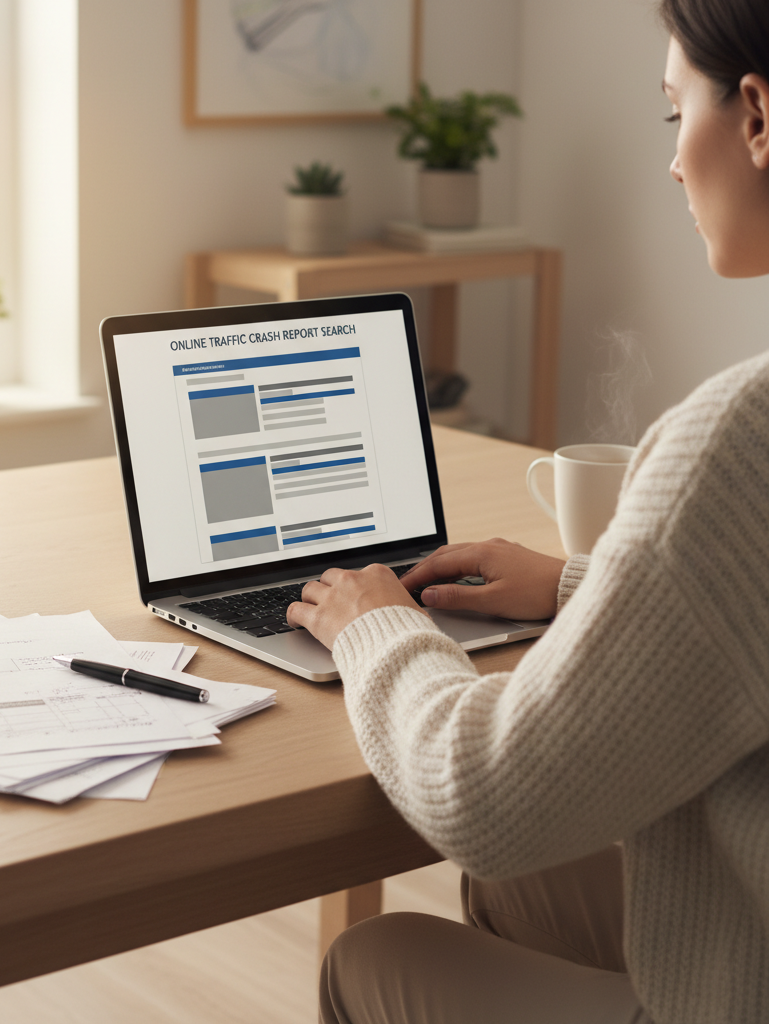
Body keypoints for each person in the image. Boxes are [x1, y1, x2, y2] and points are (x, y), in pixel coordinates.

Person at [286, 2, 769, 1021]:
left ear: (758, 117)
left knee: (368, 958)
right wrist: (576, 583)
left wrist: (376, 626)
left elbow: (485, 799)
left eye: (674, 109)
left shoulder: (742, 433)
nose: (676, 163)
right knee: (517, 889)